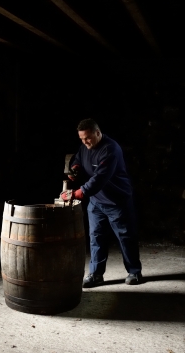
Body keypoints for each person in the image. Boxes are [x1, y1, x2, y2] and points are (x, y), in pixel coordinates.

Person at [60, 118, 143, 287]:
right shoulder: (85, 146)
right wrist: (75, 168)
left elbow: (99, 178)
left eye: (88, 138)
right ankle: (96, 274)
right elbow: (78, 158)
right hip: (96, 202)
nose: (85, 142)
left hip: (117, 201)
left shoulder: (110, 149)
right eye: (82, 139)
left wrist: (76, 194)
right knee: (96, 237)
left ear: (98, 133)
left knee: (125, 237)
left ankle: (135, 271)